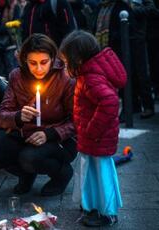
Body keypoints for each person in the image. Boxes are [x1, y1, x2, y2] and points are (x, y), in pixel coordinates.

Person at [0, 34, 77, 196]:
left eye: (44, 62)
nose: (38, 69)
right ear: (25, 60)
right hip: (24, 135)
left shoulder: (65, 78)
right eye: (32, 63)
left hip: (58, 140)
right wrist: (18, 117)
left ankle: (62, 174)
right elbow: (2, 116)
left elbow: (77, 121)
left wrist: (49, 134)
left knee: (28, 158)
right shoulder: (17, 76)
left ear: (52, 58)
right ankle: (25, 174)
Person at [60, 30, 125, 227]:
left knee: (101, 176)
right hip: (92, 138)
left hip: (97, 138)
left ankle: (106, 213)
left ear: (77, 59)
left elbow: (109, 101)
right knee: (91, 173)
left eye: (65, 60)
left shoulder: (91, 77)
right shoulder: (89, 72)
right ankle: (92, 206)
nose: (64, 65)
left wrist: (92, 130)